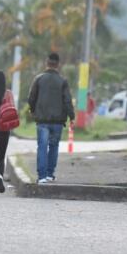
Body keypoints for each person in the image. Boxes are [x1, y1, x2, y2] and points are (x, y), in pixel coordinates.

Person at [27, 52, 75, 184]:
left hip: (42, 121)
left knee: (42, 147)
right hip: (58, 122)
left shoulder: (39, 79)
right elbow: (67, 100)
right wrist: (72, 117)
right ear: (58, 64)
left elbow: (31, 98)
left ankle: (42, 177)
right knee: (54, 146)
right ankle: (49, 174)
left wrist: (32, 110)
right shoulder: (63, 81)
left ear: (46, 63)